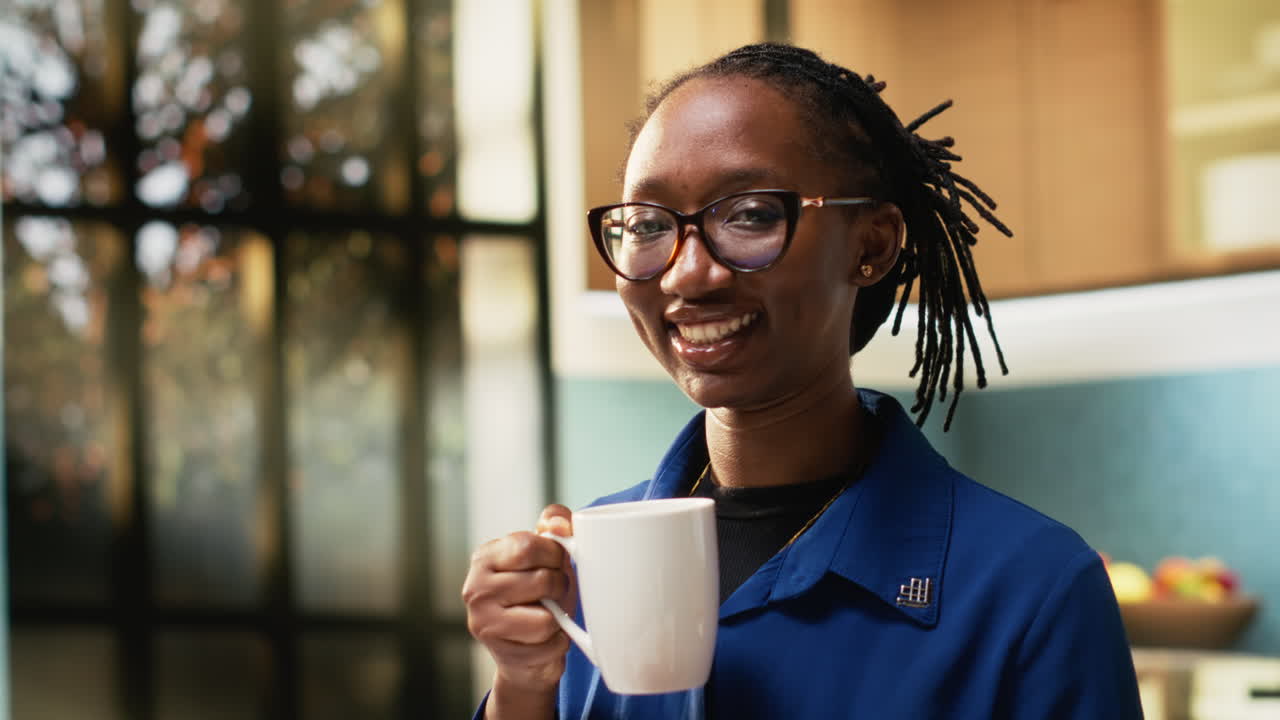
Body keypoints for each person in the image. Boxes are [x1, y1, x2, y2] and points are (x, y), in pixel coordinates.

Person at [463, 43, 1143, 719]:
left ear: (871, 244)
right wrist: (524, 684)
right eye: (647, 224)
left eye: (751, 214)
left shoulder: (1032, 590)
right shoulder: (588, 567)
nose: (686, 273)